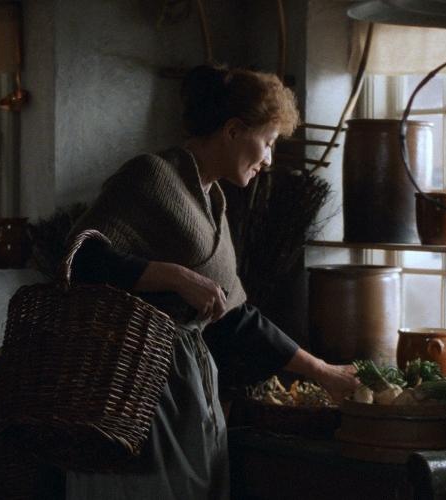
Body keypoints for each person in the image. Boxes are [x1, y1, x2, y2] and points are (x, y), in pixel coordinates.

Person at [65, 64, 358, 500]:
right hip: (133, 387)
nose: (269, 159)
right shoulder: (152, 176)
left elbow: (235, 318)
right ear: (234, 131)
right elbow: (82, 259)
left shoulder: (212, 200)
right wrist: (174, 276)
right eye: (269, 142)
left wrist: (323, 372)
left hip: (186, 388)